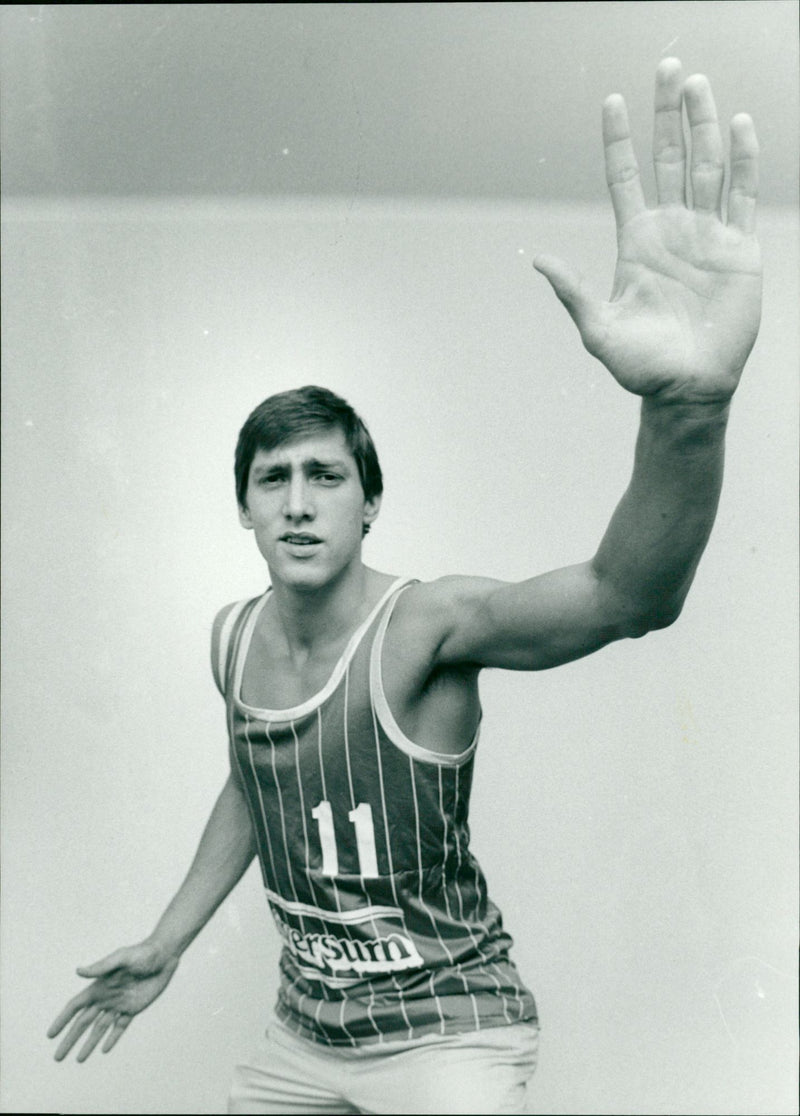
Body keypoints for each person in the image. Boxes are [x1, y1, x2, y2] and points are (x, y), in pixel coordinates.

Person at [47, 59, 761, 1115]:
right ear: (243, 508)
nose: (297, 501)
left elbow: (626, 595)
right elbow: (259, 779)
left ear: (368, 504)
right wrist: (167, 942)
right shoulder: (231, 641)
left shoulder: (427, 624)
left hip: (448, 1036)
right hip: (304, 1036)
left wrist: (686, 410)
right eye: (272, 479)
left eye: (324, 477)